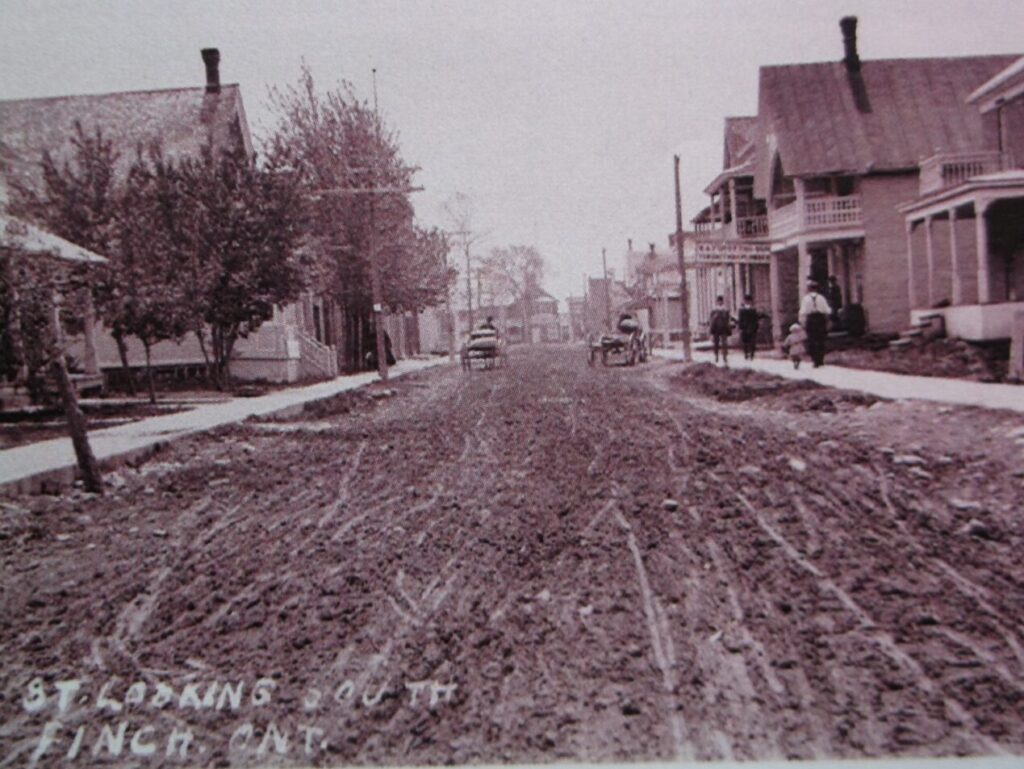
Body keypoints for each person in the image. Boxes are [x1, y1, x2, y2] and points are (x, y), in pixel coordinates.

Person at [799, 280, 832, 368]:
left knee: (812, 339)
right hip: (820, 319)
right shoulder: (821, 298)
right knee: (820, 339)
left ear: (809, 289)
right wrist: (827, 321)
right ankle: (820, 359)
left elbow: (803, 312)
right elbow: (827, 310)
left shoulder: (806, 299)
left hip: (811, 319)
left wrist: (802, 322)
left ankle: (815, 359)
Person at [708, 296, 734, 365]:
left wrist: (728, 326)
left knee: (724, 343)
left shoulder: (725, 310)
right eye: (718, 301)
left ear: (722, 301)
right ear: (717, 302)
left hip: (723, 329)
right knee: (716, 344)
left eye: (721, 301)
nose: (720, 302)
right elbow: (711, 320)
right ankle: (716, 356)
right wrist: (711, 329)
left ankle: (725, 357)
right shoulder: (714, 310)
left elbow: (728, 319)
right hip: (716, 329)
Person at [737, 294, 761, 360]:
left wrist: (756, 327)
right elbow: (740, 319)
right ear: (744, 301)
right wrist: (740, 327)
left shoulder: (753, 309)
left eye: (748, 301)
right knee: (745, 341)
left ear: (750, 301)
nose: (747, 302)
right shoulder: (741, 310)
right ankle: (746, 354)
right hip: (744, 327)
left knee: (752, 342)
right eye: (746, 301)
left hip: (752, 327)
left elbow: (756, 319)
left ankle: (752, 354)